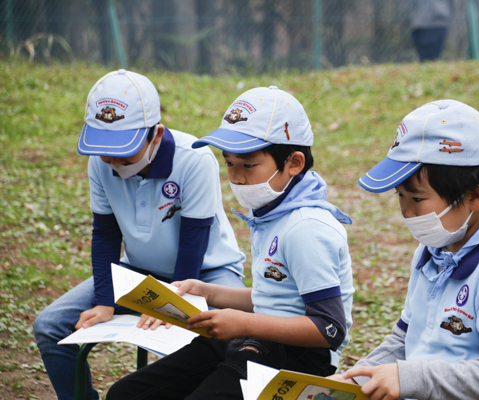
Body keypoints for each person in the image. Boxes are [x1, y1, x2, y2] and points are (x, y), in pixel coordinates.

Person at [107, 86, 355, 399]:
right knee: (126, 394)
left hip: (298, 356)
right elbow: (277, 298)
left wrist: (242, 324)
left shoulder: (306, 227)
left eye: (248, 165)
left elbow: (329, 329)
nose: (236, 178)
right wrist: (208, 292)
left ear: (294, 163)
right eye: (229, 164)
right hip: (252, 337)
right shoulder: (272, 211)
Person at [33, 69, 246, 400]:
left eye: (123, 148)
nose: (111, 159)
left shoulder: (194, 159)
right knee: (50, 325)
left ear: (156, 134)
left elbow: (194, 240)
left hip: (208, 273)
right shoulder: (100, 164)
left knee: (232, 339)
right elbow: (105, 234)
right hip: (137, 273)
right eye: (103, 147)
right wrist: (104, 301)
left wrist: (169, 305)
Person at [331, 99, 479, 399]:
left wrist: (410, 377)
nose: (407, 212)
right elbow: (405, 338)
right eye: (400, 196)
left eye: (418, 199)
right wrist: (354, 379)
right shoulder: (432, 254)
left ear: (475, 197)